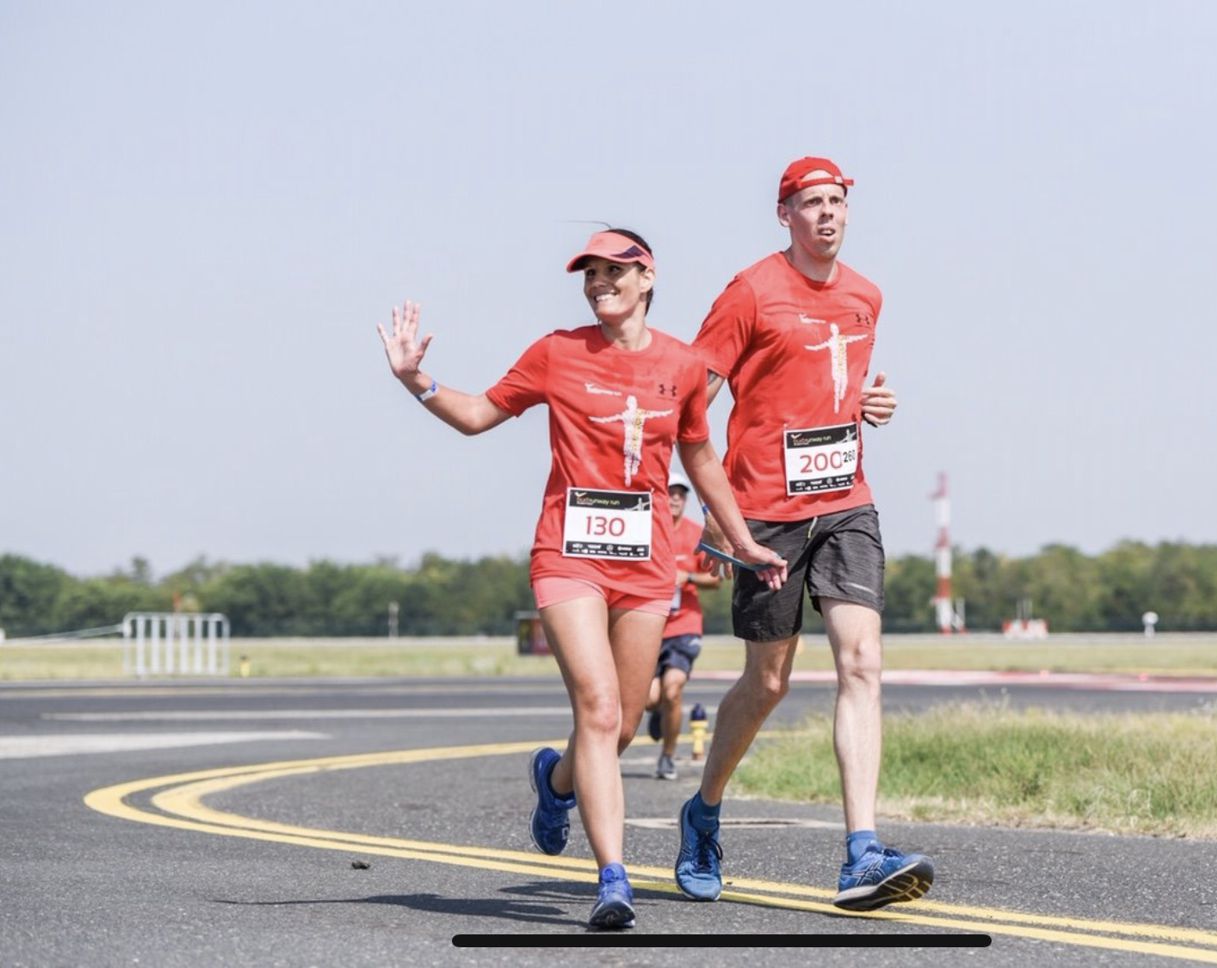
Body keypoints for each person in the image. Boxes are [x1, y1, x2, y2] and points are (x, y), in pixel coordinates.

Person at [377, 228, 787, 930]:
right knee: (597, 711)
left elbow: (702, 459)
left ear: (647, 277)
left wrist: (742, 539)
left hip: (648, 564)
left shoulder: (685, 366)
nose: (600, 283)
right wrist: (419, 382)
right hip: (568, 558)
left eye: (614, 272)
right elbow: (478, 415)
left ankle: (555, 780)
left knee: (623, 723)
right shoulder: (557, 353)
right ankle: (613, 878)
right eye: (589, 274)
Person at [673, 158, 934, 912]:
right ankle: (705, 811)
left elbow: (838, 386)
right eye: (811, 203)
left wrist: (871, 401)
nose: (827, 214)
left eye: (837, 202)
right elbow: (696, 399)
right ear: (784, 214)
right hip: (764, 512)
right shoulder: (750, 292)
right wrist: (708, 515)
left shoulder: (865, 296)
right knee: (770, 682)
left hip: (847, 502)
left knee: (862, 661)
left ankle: (861, 850)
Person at [644, 471, 721, 780]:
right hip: (648, 625)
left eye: (681, 493)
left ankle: (667, 756)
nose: (675, 498)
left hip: (684, 625)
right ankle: (660, 712)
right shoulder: (644, 531)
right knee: (649, 698)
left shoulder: (696, 534)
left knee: (673, 689)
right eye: (670, 492)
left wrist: (687, 577)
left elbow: (715, 578)